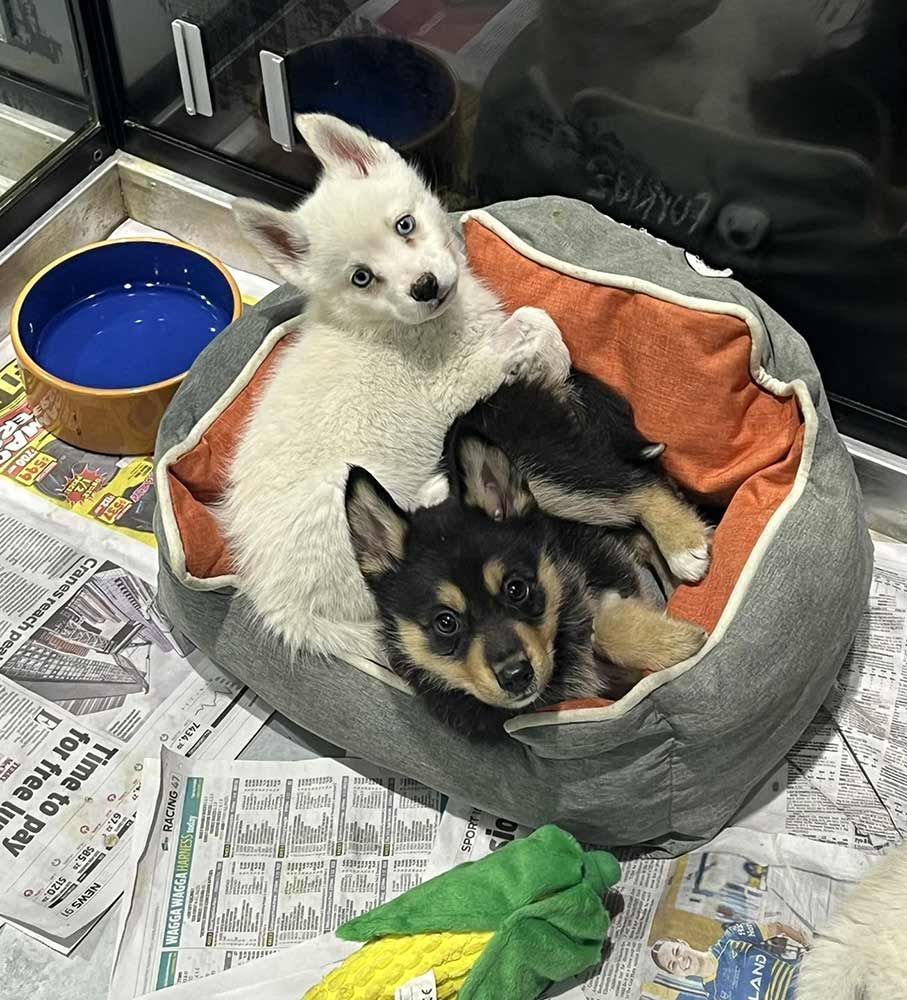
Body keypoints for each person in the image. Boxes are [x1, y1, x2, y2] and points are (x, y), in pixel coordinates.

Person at [650, 921, 807, 999]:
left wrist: (810, 945)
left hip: (814, 983)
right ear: (677, 974)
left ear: (683, 943)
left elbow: (778, 928)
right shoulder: (716, 996)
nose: (680, 960)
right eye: (673, 965)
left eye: (676, 951)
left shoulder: (732, 939)